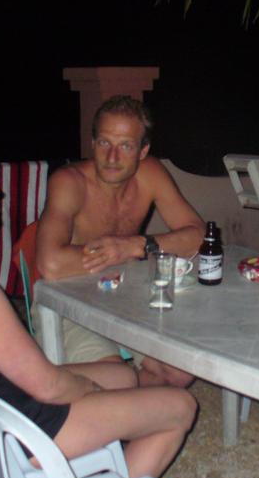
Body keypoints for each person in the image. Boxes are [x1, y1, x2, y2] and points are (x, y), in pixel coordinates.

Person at [0, 124, 196, 478]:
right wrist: (89, 392)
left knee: (123, 375)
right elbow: (48, 386)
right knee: (180, 406)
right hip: (14, 431)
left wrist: (93, 390)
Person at [36, 95, 205, 387]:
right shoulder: (69, 181)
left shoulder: (150, 173)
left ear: (142, 150)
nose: (112, 157)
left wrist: (133, 246)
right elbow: (50, 264)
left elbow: (199, 236)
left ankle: (141, 409)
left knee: (178, 372)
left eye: (125, 146)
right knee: (116, 379)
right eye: (105, 142)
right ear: (93, 143)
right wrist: (115, 253)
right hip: (69, 299)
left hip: (125, 294)